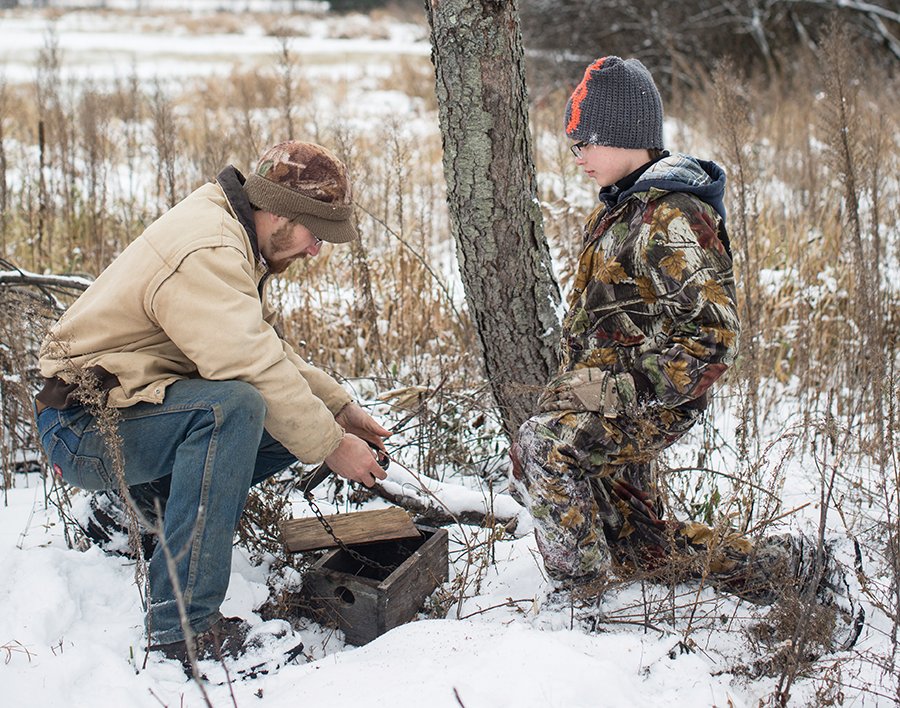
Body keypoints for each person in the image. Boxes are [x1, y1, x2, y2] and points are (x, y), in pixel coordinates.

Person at [510, 57, 862, 649]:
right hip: (617, 398)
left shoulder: (672, 216)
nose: (578, 156)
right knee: (644, 549)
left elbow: (711, 340)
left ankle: (578, 608)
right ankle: (796, 565)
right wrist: (581, 379)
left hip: (652, 403)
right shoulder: (622, 205)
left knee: (541, 445)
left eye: (586, 142)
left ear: (627, 137)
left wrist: (609, 391)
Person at [35, 141, 391, 665]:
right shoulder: (207, 250)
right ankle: (183, 627)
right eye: (316, 234)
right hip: (82, 425)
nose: (317, 250)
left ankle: (130, 511)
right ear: (280, 214)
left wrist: (336, 408)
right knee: (237, 408)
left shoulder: (230, 231)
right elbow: (251, 367)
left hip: (126, 406)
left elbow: (258, 345)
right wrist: (332, 444)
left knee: (283, 416)